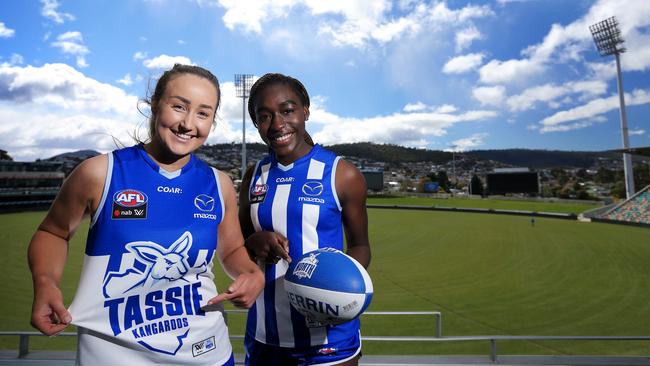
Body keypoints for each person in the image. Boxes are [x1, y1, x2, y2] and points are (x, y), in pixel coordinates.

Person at [28, 64, 265, 366]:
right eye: (179, 107)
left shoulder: (218, 184)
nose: (188, 124)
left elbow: (231, 249)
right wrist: (46, 282)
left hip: (206, 352)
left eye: (203, 113)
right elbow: (53, 233)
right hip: (111, 354)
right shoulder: (100, 172)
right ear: (154, 105)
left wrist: (252, 274)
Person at [238, 73, 371, 366]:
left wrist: (339, 294)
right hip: (265, 333)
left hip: (329, 338)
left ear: (305, 111)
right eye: (264, 116)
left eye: (287, 110)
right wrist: (254, 241)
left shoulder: (342, 174)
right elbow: (240, 244)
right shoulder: (253, 176)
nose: (277, 124)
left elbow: (360, 246)